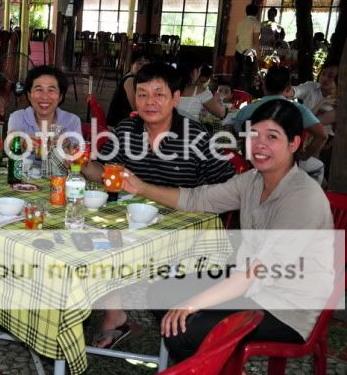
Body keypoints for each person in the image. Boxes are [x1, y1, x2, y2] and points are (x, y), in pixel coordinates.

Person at [123, 99, 334, 363]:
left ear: (294, 143)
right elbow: (198, 199)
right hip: (249, 284)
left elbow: (259, 271)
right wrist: (141, 187)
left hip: (286, 307)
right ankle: (209, 364)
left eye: (272, 137)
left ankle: (209, 365)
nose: (259, 145)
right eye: (253, 135)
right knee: (160, 294)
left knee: (185, 331)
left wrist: (193, 303)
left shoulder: (303, 197)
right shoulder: (253, 180)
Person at [82, 62, 235, 348]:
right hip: (133, 225)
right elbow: (102, 173)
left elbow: (229, 186)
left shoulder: (196, 136)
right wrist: (81, 162)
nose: (149, 102)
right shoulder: (126, 129)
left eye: (158, 94)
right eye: (142, 94)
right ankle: (114, 315)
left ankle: (181, 333)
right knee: (89, 236)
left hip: (181, 231)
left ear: (175, 98)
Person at [234, 66, 327, 184]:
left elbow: (238, 134)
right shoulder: (298, 110)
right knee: (318, 167)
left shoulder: (245, 111)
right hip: (286, 168)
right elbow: (322, 135)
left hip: (254, 166)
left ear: (263, 85)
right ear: (288, 89)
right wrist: (305, 155)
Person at [7, 65, 82, 175]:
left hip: (59, 181)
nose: (45, 96)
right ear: (29, 95)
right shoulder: (19, 117)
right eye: (39, 90)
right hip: (25, 180)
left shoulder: (71, 121)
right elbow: (11, 139)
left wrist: (68, 145)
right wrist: (23, 143)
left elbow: (78, 157)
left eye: (51, 90)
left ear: (60, 96)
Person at [106, 50, 150, 127]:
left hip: (124, 121)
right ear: (131, 64)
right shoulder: (130, 80)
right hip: (117, 126)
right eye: (140, 63)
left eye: (146, 64)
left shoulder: (136, 79)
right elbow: (136, 107)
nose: (143, 67)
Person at [233, 4, 261, 97]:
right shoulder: (256, 23)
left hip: (238, 52)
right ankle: (247, 97)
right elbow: (255, 41)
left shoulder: (240, 23)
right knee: (248, 77)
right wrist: (258, 56)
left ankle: (233, 95)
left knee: (236, 76)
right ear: (256, 13)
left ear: (246, 12)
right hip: (250, 54)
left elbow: (237, 40)